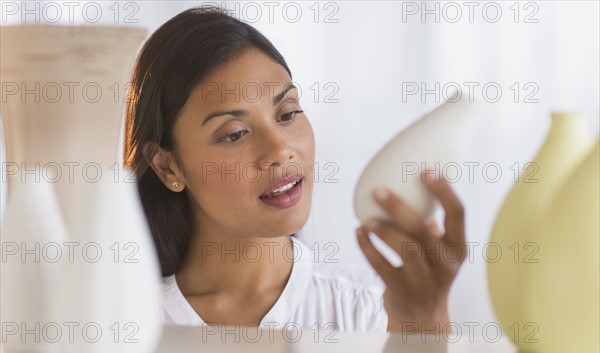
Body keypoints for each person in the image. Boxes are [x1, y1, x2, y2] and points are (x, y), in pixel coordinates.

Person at [123, 6, 467, 333]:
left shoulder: (369, 310)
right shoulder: (127, 321)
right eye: (234, 134)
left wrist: (426, 324)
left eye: (287, 114)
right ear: (168, 166)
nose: (280, 150)